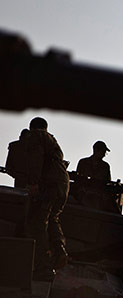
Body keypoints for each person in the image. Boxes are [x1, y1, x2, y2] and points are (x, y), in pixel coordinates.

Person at [24, 117, 70, 280]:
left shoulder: (35, 136)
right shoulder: (52, 140)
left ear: (32, 128)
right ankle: (59, 251)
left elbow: (35, 159)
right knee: (52, 218)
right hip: (62, 183)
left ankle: (43, 267)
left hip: (49, 183)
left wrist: (33, 183)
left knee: (37, 221)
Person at [74, 140, 118, 212]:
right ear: (96, 150)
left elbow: (107, 183)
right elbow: (77, 180)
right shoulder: (83, 162)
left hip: (99, 195)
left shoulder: (105, 166)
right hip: (83, 193)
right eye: (103, 152)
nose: (104, 154)